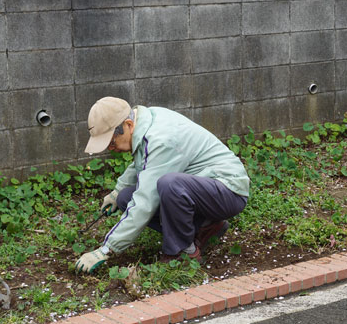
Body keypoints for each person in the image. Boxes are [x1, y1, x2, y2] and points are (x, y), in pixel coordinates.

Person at [75, 97, 250, 274]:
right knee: (125, 198)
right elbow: (144, 163)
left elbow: (145, 202)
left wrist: (106, 249)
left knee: (170, 184)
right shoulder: (146, 121)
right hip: (203, 189)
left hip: (227, 190)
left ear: (128, 124)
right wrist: (117, 191)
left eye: (111, 142)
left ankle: (183, 253)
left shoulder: (161, 139)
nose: (111, 149)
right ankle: (206, 226)